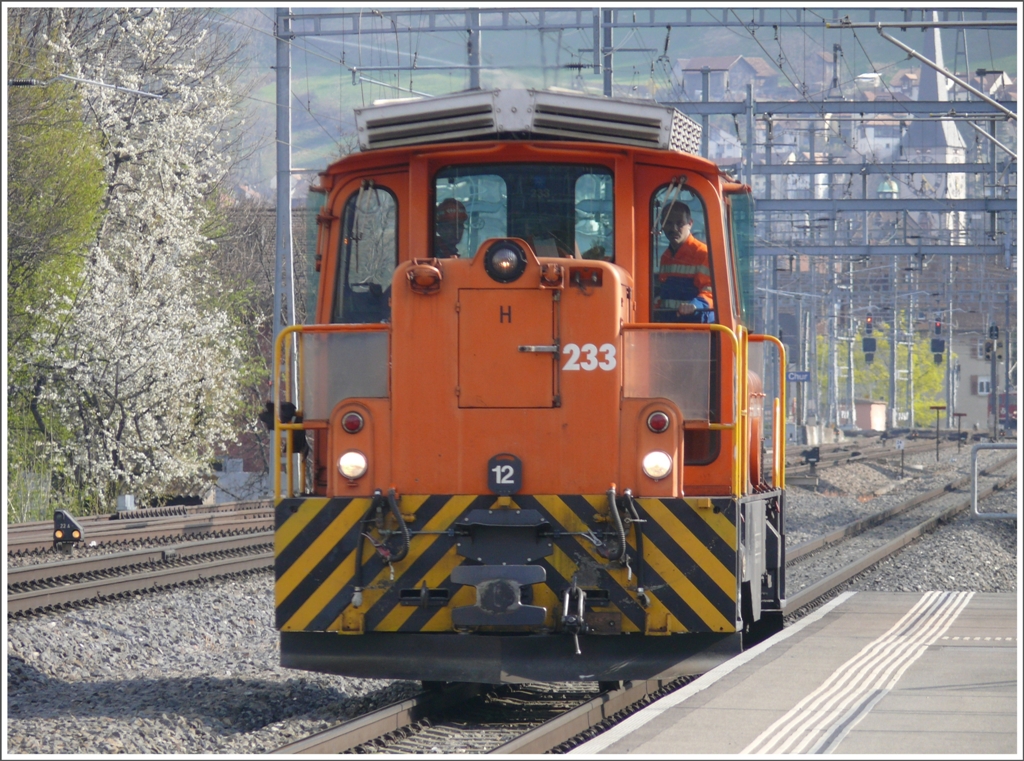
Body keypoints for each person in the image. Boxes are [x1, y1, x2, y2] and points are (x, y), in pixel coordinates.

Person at [655, 201, 714, 323]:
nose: (674, 228)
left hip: (693, 329)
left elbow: (711, 292)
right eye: (669, 223)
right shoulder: (666, 257)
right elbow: (665, 295)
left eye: (680, 223)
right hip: (668, 327)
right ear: (662, 224)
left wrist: (696, 305)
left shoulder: (703, 254)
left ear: (690, 224)